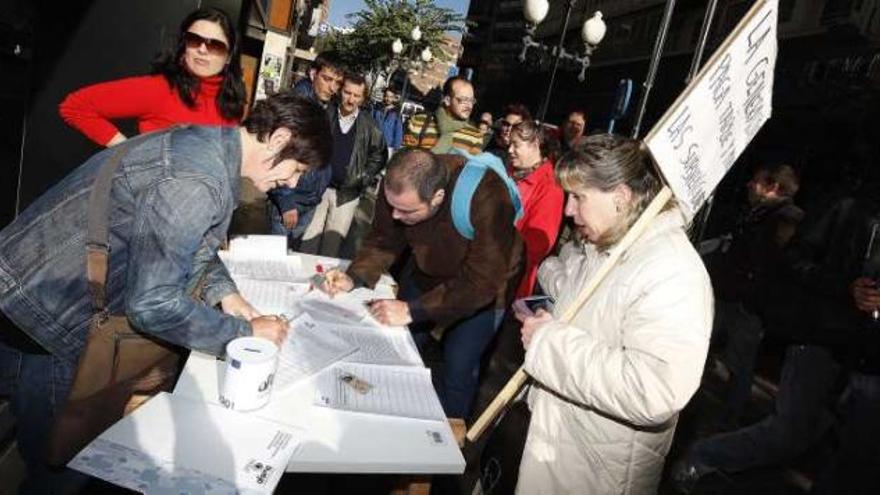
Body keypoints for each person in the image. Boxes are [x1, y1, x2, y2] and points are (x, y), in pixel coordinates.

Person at [0, 93, 332, 493]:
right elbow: (153, 304)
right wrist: (243, 335)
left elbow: (188, 247)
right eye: (297, 169)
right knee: (62, 473)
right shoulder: (198, 180)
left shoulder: (204, 147)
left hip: (34, 296)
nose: (292, 183)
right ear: (278, 139)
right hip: (41, 324)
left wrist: (230, 296)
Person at [515, 134, 713, 494]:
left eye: (578, 198)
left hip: (596, 473)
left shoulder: (672, 270)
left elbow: (653, 390)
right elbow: (586, 306)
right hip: (560, 444)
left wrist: (548, 342)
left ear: (621, 198)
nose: (569, 211)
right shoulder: (605, 244)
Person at [320, 149, 524, 418]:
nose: (395, 215)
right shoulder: (398, 182)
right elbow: (384, 237)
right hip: (429, 266)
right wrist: (355, 275)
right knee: (398, 344)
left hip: (486, 286)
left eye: (406, 210)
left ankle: (449, 434)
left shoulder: (486, 194)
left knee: (459, 365)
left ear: (437, 197)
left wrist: (412, 310)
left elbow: (482, 281)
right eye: (391, 206)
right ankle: (388, 409)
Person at [59, 7, 246, 147]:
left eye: (215, 45)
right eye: (194, 40)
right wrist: (128, 151)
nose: (202, 50)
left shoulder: (231, 103)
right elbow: (75, 106)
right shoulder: (160, 89)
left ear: (229, 56)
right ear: (184, 44)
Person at [704, 163, 803, 426]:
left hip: (748, 306)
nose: (750, 184)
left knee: (740, 365)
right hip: (731, 296)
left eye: (756, 181)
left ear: (773, 187)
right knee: (709, 347)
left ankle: (727, 420)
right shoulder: (758, 212)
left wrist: (752, 299)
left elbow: (774, 263)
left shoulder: (787, 218)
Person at [299, 73, 387, 258]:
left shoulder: (369, 125)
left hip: (346, 195)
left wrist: (363, 178)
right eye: (347, 93)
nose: (351, 99)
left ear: (363, 98)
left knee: (331, 247)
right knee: (308, 242)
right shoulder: (325, 114)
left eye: (356, 95)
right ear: (341, 92)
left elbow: (379, 155)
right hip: (319, 188)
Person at [267, 51, 344, 247]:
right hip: (290, 202)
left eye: (337, 82)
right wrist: (286, 203)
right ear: (312, 74)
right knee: (275, 261)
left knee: (291, 256)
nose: (332, 87)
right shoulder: (296, 106)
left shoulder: (328, 108)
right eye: (327, 79)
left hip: (310, 200)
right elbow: (277, 155)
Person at [506, 119, 564, 298]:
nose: (510, 150)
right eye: (509, 144)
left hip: (509, 284)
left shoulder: (550, 187)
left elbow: (537, 245)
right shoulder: (510, 172)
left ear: (535, 145)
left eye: (515, 145)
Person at [403, 76, 484, 155]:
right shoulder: (419, 122)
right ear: (447, 100)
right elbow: (403, 160)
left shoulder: (475, 136)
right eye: (463, 100)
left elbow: (473, 167)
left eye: (471, 100)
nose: (469, 106)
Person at [371, 86, 404, 155]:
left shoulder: (397, 113)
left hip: (388, 146)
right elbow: (370, 123)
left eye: (391, 97)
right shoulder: (377, 108)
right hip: (373, 143)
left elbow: (398, 132)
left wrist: (396, 148)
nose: (388, 99)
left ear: (394, 98)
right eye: (386, 96)